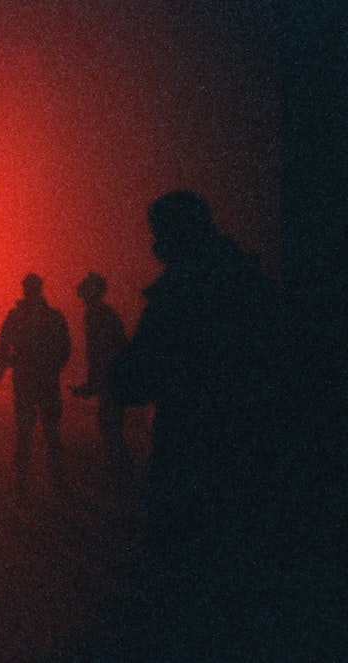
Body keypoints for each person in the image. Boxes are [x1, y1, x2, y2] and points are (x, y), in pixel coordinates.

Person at [108, 190, 281, 659]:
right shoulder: (254, 286)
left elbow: (133, 380)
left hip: (192, 459)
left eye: (158, 234)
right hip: (255, 461)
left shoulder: (180, 295)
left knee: (187, 593)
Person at [0, 273, 71, 488]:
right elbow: (64, 347)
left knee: (24, 429)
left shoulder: (15, 316)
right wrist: (53, 368)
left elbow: (3, 346)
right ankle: (57, 477)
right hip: (47, 379)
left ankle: (21, 477)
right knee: (51, 429)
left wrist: (13, 362)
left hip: (24, 379)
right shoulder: (53, 316)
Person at [70, 272, 133, 477]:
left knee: (110, 424)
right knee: (110, 424)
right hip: (118, 376)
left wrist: (93, 384)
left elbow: (99, 352)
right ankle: (121, 469)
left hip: (113, 376)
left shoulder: (96, 315)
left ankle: (124, 472)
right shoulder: (103, 313)